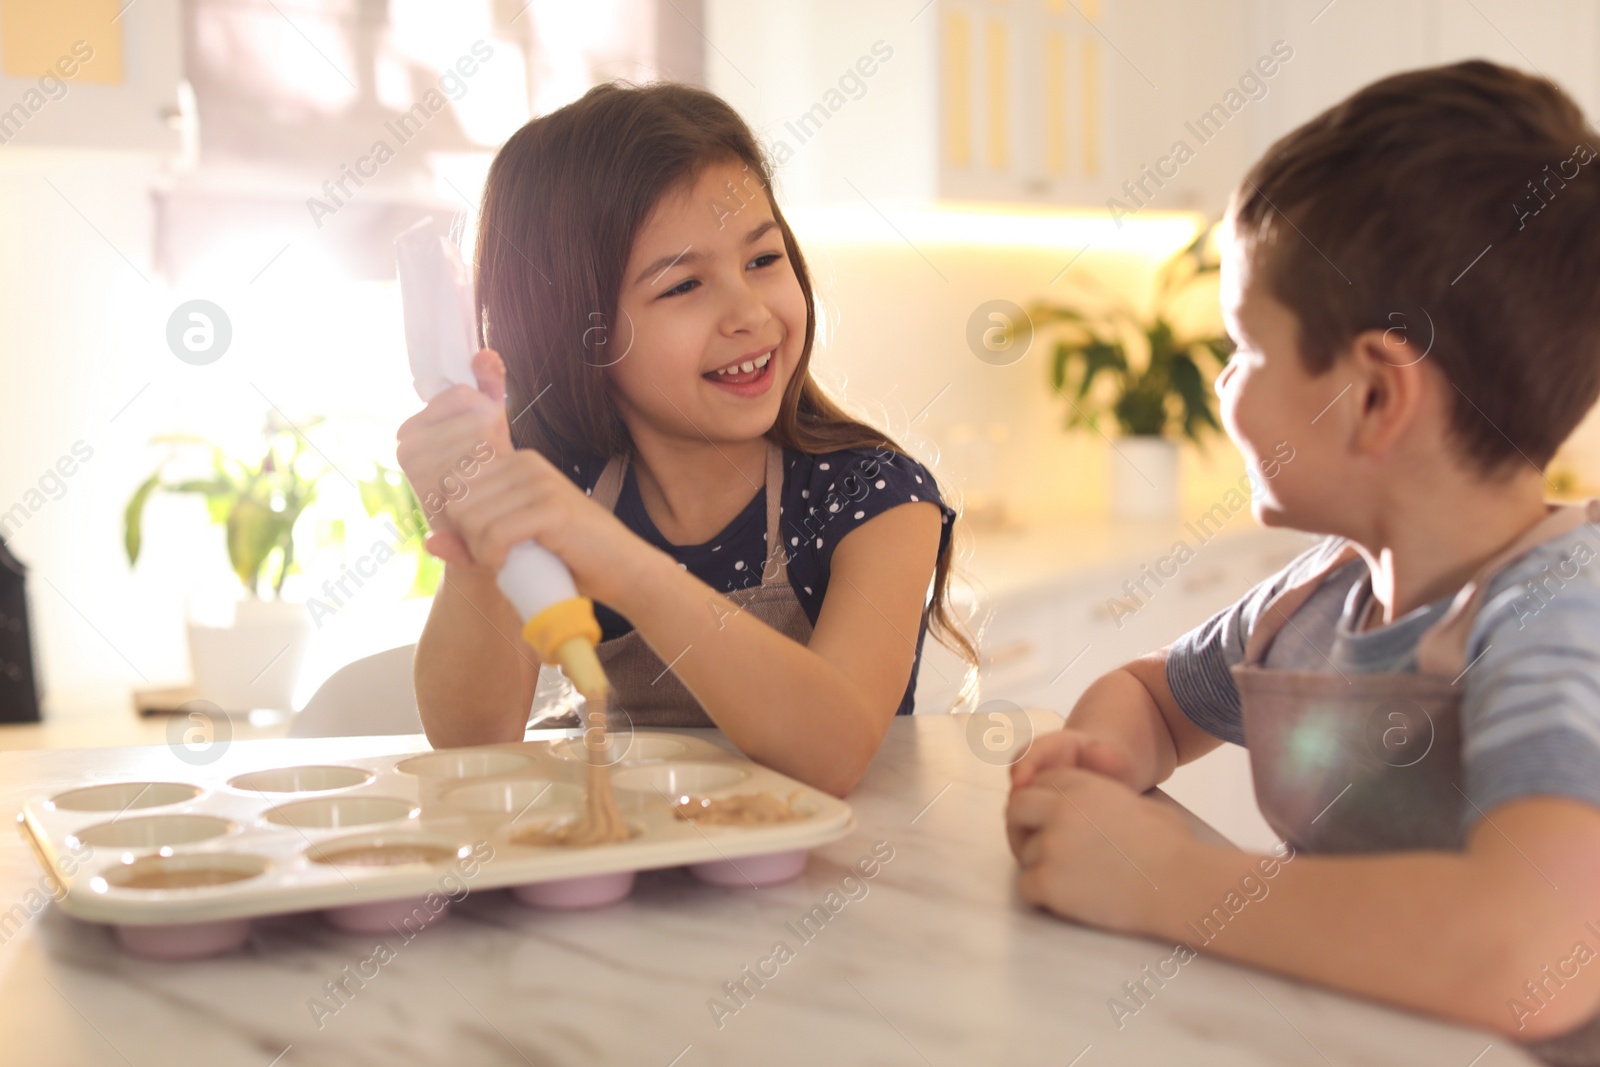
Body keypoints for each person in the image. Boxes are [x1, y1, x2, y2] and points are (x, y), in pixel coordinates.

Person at [1006, 60, 1600, 1061]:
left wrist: (1163, 880)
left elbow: (1531, 953)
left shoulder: (1554, 618)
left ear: (1373, 395)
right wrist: (1103, 763)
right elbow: (1153, 695)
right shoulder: (1313, 599)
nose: (1224, 386)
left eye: (1243, 348)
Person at [397, 82, 973, 797]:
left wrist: (625, 565)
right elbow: (474, 741)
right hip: (628, 870)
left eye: (763, 260)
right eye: (683, 286)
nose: (748, 310)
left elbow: (834, 750)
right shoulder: (568, 484)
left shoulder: (873, 497)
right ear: (577, 332)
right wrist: (481, 525)